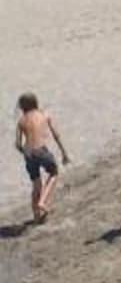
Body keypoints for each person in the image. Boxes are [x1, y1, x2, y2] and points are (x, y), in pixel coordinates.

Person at [15, 92, 70, 225]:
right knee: (54, 172)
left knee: (36, 184)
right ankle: (43, 201)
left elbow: (18, 144)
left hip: (28, 152)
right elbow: (56, 135)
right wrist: (64, 154)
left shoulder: (21, 121)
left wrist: (25, 153)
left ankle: (36, 217)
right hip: (41, 150)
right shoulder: (44, 115)